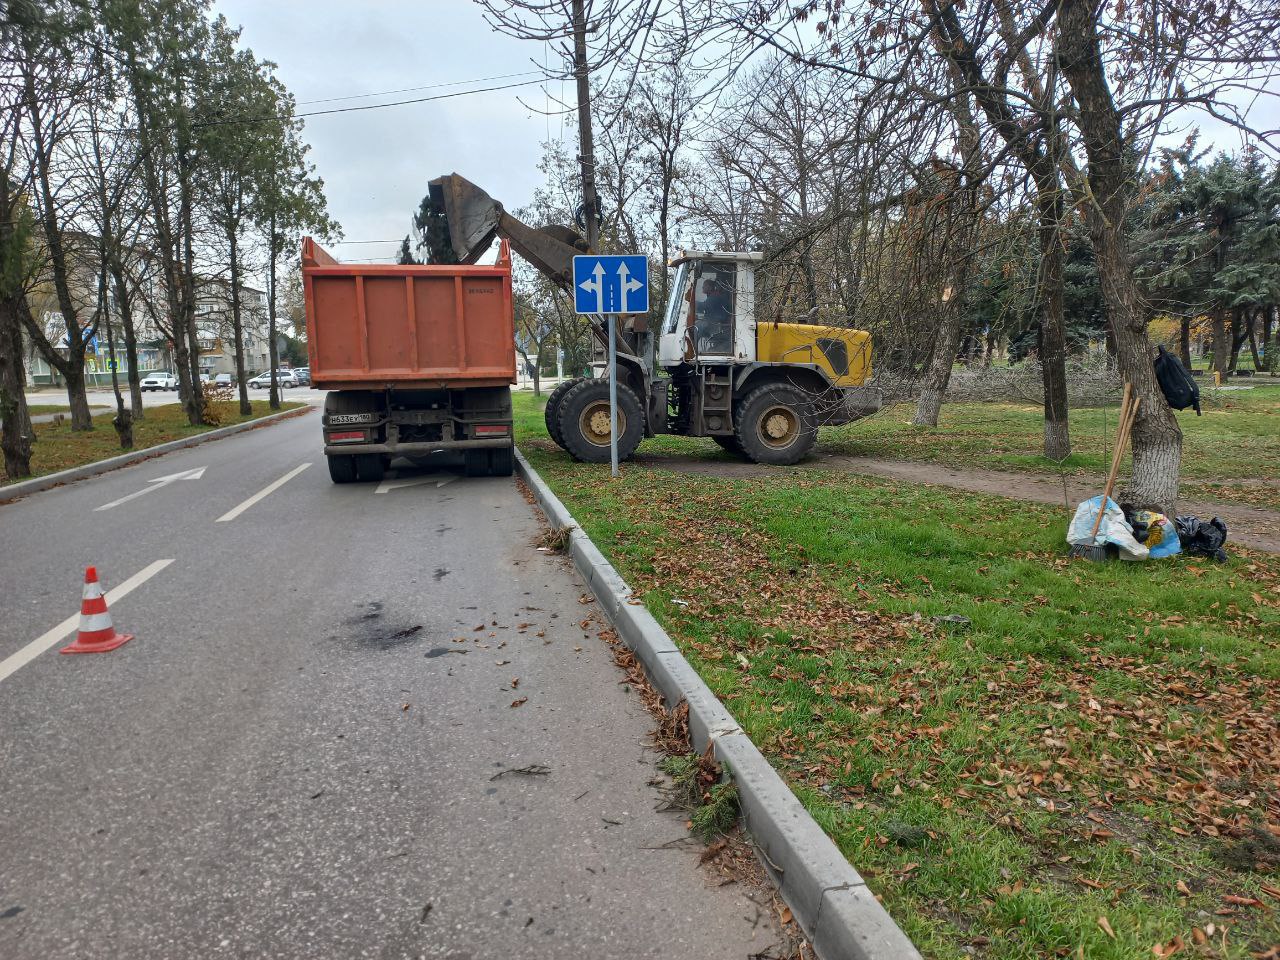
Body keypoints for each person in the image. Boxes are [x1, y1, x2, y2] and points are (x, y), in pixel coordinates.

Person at [696, 273, 733, 354]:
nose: (702, 287)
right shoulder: (714, 296)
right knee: (698, 323)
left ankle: (692, 348)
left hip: (716, 325)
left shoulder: (714, 297)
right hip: (716, 323)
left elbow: (704, 307)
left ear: (710, 287)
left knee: (697, 327)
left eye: (704, 285)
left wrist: (692, 303)